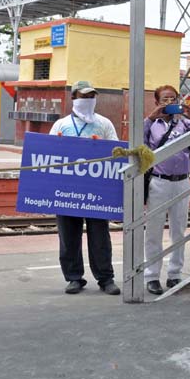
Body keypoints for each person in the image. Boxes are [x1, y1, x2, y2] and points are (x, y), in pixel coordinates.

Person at [49, 80, 121, 295]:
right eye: (83, 96)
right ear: (74, 98)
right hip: (66, 191)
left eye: (91, 97)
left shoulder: (104, 124)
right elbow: (48, 154)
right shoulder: (61, 125)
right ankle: (74, 278)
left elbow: (116, 152)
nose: (88, 100)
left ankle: (105, 279)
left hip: (96, 191)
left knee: (100, 236)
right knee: (68, 236)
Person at [143, 85, 190, 295]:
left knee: (179, 230)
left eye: (173, 99)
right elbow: (139, 144)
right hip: (159, 181)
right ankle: (152, 276)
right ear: (157, 102)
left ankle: (175, 273)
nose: (169, 103)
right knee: (154, 231)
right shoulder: (152, 124)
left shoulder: (186, 123)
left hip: (182, 182)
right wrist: (150, 118)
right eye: (165, 99)